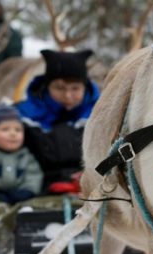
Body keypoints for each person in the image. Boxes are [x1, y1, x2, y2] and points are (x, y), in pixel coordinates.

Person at [15, 49, 99, 193]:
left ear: (85, 88)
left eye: (75, 88)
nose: (68, 95)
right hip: (34, 191)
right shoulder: (23, 113)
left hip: (92, 189)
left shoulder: (100, 115)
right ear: (47, 86)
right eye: (59, 88)